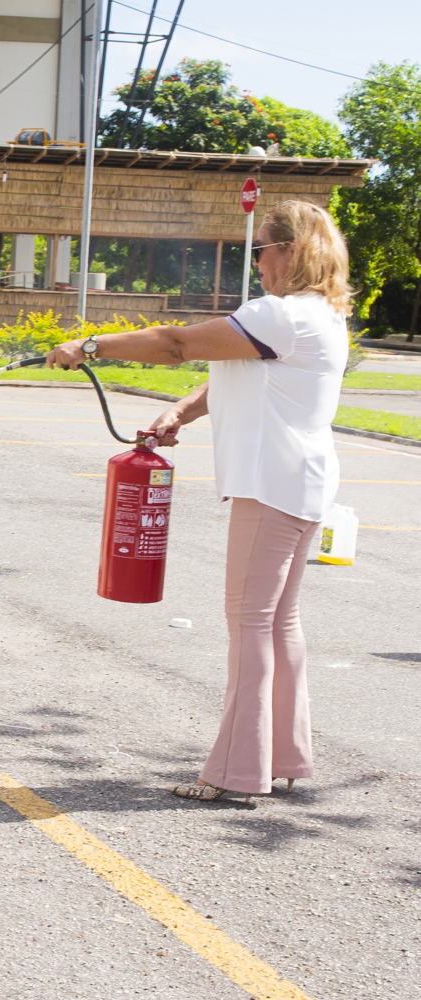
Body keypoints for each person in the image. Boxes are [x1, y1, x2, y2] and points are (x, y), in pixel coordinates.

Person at [44, 200, 351, 802]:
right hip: (302, 485)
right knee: (278, 622)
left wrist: (92, 345)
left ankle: (236, 772)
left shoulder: (280, 315)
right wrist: (180, 411)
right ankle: (284, 757)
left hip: (271, 487)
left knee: (250, 625)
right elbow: (234, 364)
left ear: (290, 252)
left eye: (260, 249)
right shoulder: (316, 316)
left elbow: (179, 343)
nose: (257, 261)